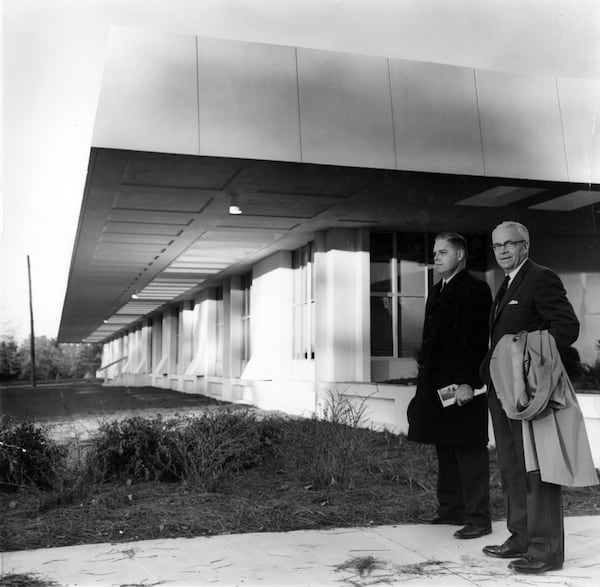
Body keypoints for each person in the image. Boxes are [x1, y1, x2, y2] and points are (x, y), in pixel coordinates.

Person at [481, 221, 580, 575]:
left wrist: (530, 364)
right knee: (512, 468)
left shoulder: (542, 278)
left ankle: (546, 550)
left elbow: (566, 327)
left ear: (526, 245)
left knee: (537, 470)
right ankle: (521, 537)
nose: (503, 251)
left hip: (530, 395)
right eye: (497, 246)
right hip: (503, 392)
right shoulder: (506, 283)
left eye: (510, 244)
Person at [408, 232, 492, 540]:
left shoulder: (476, 289)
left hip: (463, 385)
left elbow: (475, 342)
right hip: (437, 386)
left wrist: (470, 383)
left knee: (469, 449)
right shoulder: (437, 290)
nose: (436, 257)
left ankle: (479, 518)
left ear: (460, 255)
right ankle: (451, 510)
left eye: (443, 252)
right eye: (435, 253)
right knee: (444, 446)